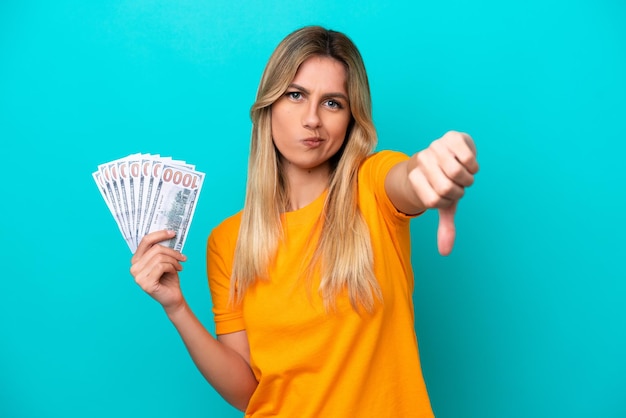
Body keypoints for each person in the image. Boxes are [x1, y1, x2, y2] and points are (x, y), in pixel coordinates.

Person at [130, 25, 478, 417]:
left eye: (333, 103)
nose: (312, 118)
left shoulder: (372, 186)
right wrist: (175, 306)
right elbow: (247, 391)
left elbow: (408, 177)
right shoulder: (228, 241)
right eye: (296, 95)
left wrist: (441, 164)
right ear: (269, 105)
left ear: (351, 118)